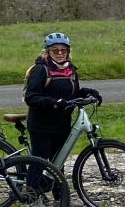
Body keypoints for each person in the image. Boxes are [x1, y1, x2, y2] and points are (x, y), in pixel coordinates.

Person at [22, 32, 101, 165]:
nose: (59, 53)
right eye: (55, 50)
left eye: (63, 50)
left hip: (62, 124)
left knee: (58, 165)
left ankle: (57, 187)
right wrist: (54, 103)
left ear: (68, 51)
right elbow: (31, 97)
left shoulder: (70, 70)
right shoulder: (41, 70)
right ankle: (32, 186)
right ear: (47, 52)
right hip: (42, 125)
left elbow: (73, 93)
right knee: (40, 164)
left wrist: (89, 93)